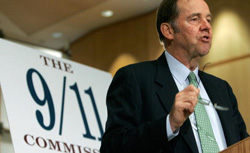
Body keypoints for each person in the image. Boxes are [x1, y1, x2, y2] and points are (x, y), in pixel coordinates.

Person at [100, 0, 249, 152]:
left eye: (208, 19)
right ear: (168, 31)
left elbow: (243, 143)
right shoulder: (134, 79)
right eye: (195, 19)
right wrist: (169, 124)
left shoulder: (222, 88)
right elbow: (112, 147)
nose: (207, 26)